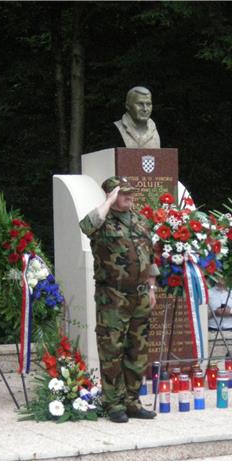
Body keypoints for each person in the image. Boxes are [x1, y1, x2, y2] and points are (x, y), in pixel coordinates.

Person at [79, 177, 158, 422]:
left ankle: (132, 401)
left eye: (131, 193)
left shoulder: (140, 221)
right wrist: (109, 201)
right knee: (112, 350)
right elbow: (85, 225)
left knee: (138, 350)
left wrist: (152, 287)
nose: (130, 197)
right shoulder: (102, 222)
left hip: (140, 294)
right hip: (113, 296)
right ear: (111, 195)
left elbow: (150, 255)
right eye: (124, 194)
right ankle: (114, 405)